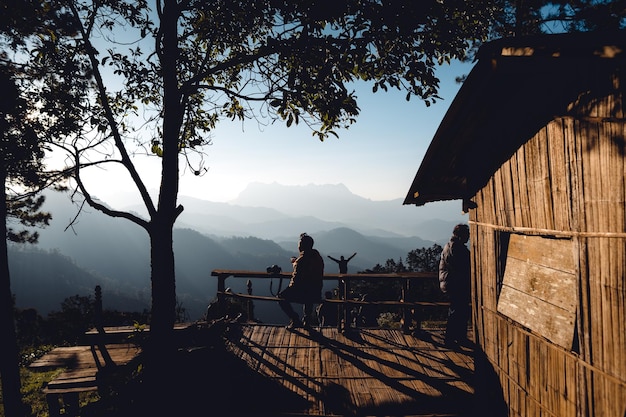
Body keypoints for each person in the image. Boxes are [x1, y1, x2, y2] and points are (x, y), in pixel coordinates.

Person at [278, 233, 324, 329]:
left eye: (299, 244)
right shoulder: (317, 257)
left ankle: (295, 319)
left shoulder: (301, 260)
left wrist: (296, 263)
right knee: (309, 294)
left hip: (303, 292)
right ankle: (307, 321)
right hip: (316, 292)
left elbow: (296, 280)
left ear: (302, 246)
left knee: (281, 297)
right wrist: (296, 262)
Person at [438, 223, 471, 348]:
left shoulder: (450, 246)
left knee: (457, 310)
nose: (468, 237)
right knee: (458, 311)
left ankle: (456, 338)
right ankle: (452, 339)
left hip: (450, 283)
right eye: (467, 234)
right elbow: (463, 267)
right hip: (455, 284)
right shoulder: (457, 248)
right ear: (461, 235)